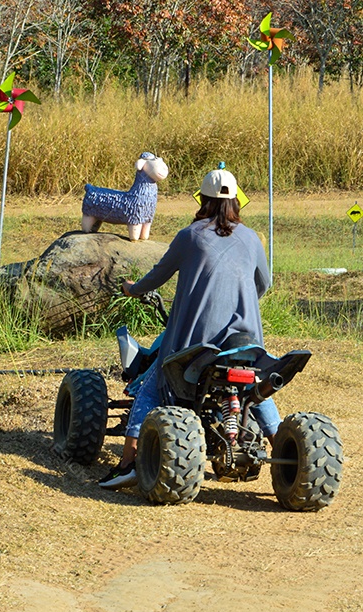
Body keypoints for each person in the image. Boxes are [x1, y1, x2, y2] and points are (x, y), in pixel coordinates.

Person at [99, 167, 281, 489]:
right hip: (245, 340)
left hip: (196, 343)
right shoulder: (252, 238)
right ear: (236, 202)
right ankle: (283, 449)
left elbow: (157, 276)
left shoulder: (190, 235)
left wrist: (131, 289)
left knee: (152, 385)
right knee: (256, 387)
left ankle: (128, 462)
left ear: (203, 201)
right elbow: (263, 285)